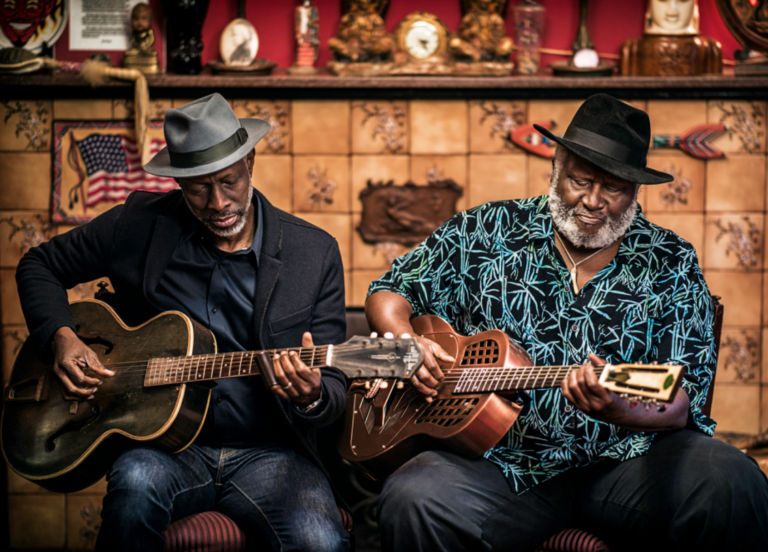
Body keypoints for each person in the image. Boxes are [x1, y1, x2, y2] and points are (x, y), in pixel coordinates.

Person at [365, 94, 768, 552]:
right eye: (580, 180)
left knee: (730, 478)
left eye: (613, 188)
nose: (593, 202)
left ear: (636, 190)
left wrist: (619, 409)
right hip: (500, 463)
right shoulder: (484, 230)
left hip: (627, 464)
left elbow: (681, 398)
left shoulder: (670, 261)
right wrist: (403, 342)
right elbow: (391, 290)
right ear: (557, 165)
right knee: (414, 496)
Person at [16, 93, 350, 552]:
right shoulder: (137, 225)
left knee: (322, 543)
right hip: (164, 449)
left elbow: (334, 391)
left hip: (272, 452)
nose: (217, 203)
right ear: (178, 182)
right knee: (132, 494)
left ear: (250, 160)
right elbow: (39, 265)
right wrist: (62, 338)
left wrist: (312, 395)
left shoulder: (313, 253)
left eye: (229, 182)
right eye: (198, 187)